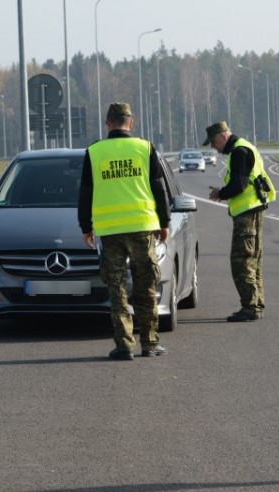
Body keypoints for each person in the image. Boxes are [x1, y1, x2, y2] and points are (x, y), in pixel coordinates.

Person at [78, 102, 171, 360]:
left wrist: (86, 227)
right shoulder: (145, 148)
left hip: (110, 232)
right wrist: (164, 222)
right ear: (131, 123)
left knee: (116, 288)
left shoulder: (95, 152)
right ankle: (150, 343)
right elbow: (159, 189)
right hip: (142, 228)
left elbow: (85, 193)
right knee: (146, 286)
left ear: (108, 123)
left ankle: (124, 346)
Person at [203, 121, 276, 322]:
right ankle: (256, 304)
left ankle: (250, 307)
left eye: (214, 141)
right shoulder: (244, 147)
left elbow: (239, 185)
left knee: (241, 261)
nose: (213, 146)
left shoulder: (239, 152)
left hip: (247, 214)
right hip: (254, 211)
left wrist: (221, 193)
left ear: (224, 136)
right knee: (253, 261)